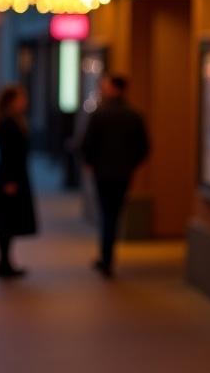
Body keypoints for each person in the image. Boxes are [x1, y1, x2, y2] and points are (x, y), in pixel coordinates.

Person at [80, 74, 149, 278]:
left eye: (106, 86)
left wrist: (91, 163)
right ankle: (107, 255)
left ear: (114, 88)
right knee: (114, 212)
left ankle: (106, 256)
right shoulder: (134, 115)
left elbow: (87, 144)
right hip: (123, 172)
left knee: (106, 212)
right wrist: (130, 165)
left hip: (102, 172)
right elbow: (143, 147)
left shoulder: (100, 114)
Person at [0, 84, 37, 279]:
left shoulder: (11, 121)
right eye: (21, 99)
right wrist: (10, 180)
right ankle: (4, 262)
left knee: (7, 219)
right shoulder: (8, 123)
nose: (25, 102)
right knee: (6, 219)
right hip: (10, 175)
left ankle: (6, 261)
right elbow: (9, 153)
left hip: (11, 174)